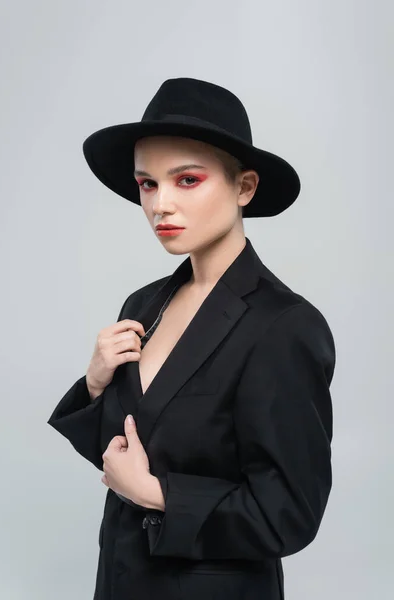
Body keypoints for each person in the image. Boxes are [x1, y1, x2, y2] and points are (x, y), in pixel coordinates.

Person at [47, 77, 336, 600]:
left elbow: (289, 514)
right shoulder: (143, 305)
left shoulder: (285, 326)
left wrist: (158, 495)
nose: (160, 206)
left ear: (244, 187)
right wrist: (94, 386)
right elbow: (127, 453)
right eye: (147, 184)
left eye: (187, 180)